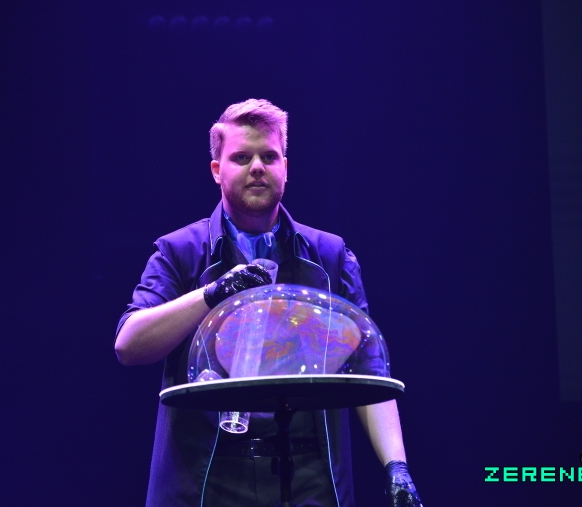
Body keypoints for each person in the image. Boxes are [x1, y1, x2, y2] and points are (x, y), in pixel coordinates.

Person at [115, 99, 423, 507]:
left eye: (269, 156)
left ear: (286, 168)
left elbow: (367, 368)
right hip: (207, 481)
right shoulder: (179, 251)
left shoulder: (331, 256)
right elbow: (129, 344)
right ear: (216, 170)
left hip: (309, 481)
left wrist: (396, 467)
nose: (257, 167)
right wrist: (212, 294)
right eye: (242, 157)